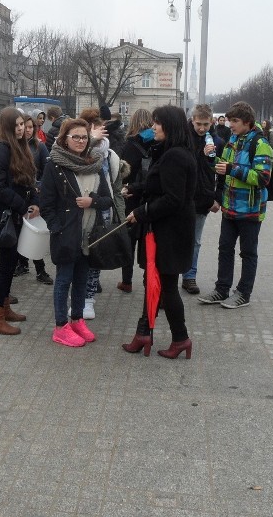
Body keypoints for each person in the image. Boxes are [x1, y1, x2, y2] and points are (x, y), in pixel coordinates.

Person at [123, 105, 197, 360]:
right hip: (165, 231)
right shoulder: (171, 151)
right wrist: (135, 188)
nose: (153, 127)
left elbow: (172, 198)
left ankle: (179, 338)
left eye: (158, 123)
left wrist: (141, 212)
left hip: (169, 233)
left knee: (165, 286)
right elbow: (158, 183)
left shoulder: (176, 155)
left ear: (170, 126)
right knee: (155, 283)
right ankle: (148, 334)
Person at [40, 118, 112, 347]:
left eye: (84, 137)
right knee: (63, 280)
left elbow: (108, 199)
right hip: (66, 234)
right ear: (65, 139)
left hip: (90, 235)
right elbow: (46, 203)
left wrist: (92, 201)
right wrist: (56, 227)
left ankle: (77, 319)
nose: (81, 141)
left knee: (82, 280)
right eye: (76, 137)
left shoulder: (95, 162)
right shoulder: (55, 165)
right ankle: (61, 327)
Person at [198, 102, 272, 308]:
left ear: (247, 122)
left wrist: (232, 169)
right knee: (225, 249)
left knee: (248, 253)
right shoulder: (233, 140)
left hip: (250, 209)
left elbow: (263, 177)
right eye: (230, 120)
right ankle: (222, 289)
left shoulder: (260, 144)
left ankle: (243, 293)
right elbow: (222, 166)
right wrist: (211, 157)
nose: (230, 124)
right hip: (229, 207)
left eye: (235, 121)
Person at [0, 107, 36, 335]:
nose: (21, 128)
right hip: (7, 216)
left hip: (16, 215)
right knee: (5, 266)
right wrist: (22, 205)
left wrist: (33, 201)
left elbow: (26, 182)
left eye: (22, 124)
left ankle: (3, 308)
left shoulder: (20, 147)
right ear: (6, 127)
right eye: (16, 125)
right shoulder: (2, 149)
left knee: (9, 264)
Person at [78, 107, 128, 319]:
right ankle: (78, 296)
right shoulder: (77, 149)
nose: (102, 131)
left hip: (102, 209)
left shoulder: (109, 153)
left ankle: (88, 299)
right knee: (79, 257)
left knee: (95, 255)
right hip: (80, 210)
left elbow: (112, 185)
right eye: (97, 127)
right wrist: (89, 139)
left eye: (102, 127)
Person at [182, 104, 222, 295]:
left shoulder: (216, 141)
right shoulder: (183, 138)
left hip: (203, 197)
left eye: (206, 124)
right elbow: (184, 163)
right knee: (178, 237)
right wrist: (201, 154)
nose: (202, 128)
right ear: (192, 120)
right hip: (182, 197)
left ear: (212, 122)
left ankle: (190, 276)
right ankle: (174, 273)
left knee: (195, 240)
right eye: (198, 124)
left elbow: (221, 171)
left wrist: (217, 198)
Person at [14, 111, 54, 285]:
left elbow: (47, 171)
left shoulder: (40, 146)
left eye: (31, 127)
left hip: (35, 195)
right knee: (19, 232)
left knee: (35, 231)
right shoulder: (14, 145)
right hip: (17, 196)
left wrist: (39, 186)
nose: (27, 130)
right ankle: (22, 264)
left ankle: (40, 269)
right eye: (25, 126)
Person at [117, 108, 154, 294]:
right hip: (150, 198)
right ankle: (150, 282)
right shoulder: (156, 142)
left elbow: (123, 173)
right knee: (149, 242)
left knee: (129, 242)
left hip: (132, 197)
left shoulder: (130, 145)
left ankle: (127, 281)